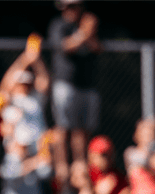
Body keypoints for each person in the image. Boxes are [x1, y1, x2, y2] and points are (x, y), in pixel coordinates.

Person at [47, 0, 101, 180]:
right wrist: (84, 34)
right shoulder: (59, 25)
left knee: (82, 130)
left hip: (87, 85)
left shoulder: (89, 23)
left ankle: (81, 166)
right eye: (66, 6)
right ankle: (62, 168)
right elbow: (65, 47)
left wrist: (90, 33)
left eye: (73, 6)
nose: (68, 10)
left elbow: (97, 49)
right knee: (63, 128)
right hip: (65, 84)